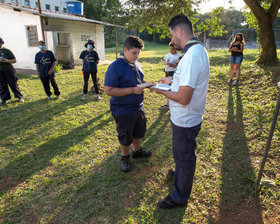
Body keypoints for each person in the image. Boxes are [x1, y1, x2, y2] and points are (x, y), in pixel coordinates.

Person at [151, 14, 209, 209]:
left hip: (186, 119)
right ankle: (180, 173)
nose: (172, 39)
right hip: (184, 117)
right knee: (181, 152)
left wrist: (159, 89)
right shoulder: (195, 50)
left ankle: (179, 196)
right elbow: (187, 79)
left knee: (184, 155)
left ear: (178, 31)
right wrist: (172, 80)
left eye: (171, 34)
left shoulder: (192, 55)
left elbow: (184, 97)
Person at [104, 36, 152, 173]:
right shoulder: (115, 67)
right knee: (125, 135)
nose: (136, 56)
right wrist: (132, 90)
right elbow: (109, 90)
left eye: (138, 53)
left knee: (139, 130)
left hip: (138, 106)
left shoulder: (136, 64)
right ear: (125, 50)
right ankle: (124, 157)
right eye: (134, 53)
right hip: (122, 109)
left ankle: (136, 150)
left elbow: (138, 81)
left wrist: (149, 85)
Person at [0, 37, 24, 105]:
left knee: (13, 83)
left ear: (2, 43)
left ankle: (19, 97)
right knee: (2, 85)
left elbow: (14, 60)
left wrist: (7, 61)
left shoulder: (7, 51)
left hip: (8, 70)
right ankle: (4, 99)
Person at [161, 42, 180, 109]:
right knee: (167, 88)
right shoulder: (168, 55)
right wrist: (165, 61)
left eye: (173, 49)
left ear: (176, 49)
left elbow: (177, 67)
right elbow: (163, 60)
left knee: (172, 88)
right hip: (167, 72)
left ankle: (170, 104)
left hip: (172, 73)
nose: (172, 50)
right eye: (170, 49)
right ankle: (168, 104)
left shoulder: (178, 56)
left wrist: (171, 65)